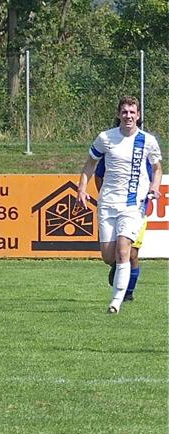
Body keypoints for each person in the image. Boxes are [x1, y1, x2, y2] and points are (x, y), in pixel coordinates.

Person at [77, 96, 162, 313]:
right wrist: (81, 188)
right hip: (107, 203)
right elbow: (90, 165)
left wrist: (154, 186)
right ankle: (118, 267)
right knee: (108, 255)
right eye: (124, 112)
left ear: (138, 115)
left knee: (125, 249)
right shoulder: (105, 138)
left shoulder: (148, 141)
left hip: (133, 204)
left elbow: (158, 168)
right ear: (118, 114)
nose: (128, 116)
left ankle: (115, 303)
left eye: (132, 112)